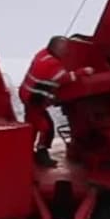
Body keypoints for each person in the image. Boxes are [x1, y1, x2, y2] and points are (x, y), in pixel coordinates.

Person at [21, 35, 75, 166]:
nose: (67, 52)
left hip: (28, 96)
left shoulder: (43, 54)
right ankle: (41, 153)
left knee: (32, 126)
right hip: (35, 101)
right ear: (57, 49)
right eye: (65, 49)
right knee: (47, 127)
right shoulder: (51, 64)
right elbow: (65, 78)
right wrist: (83, 72)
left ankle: (26, 152)